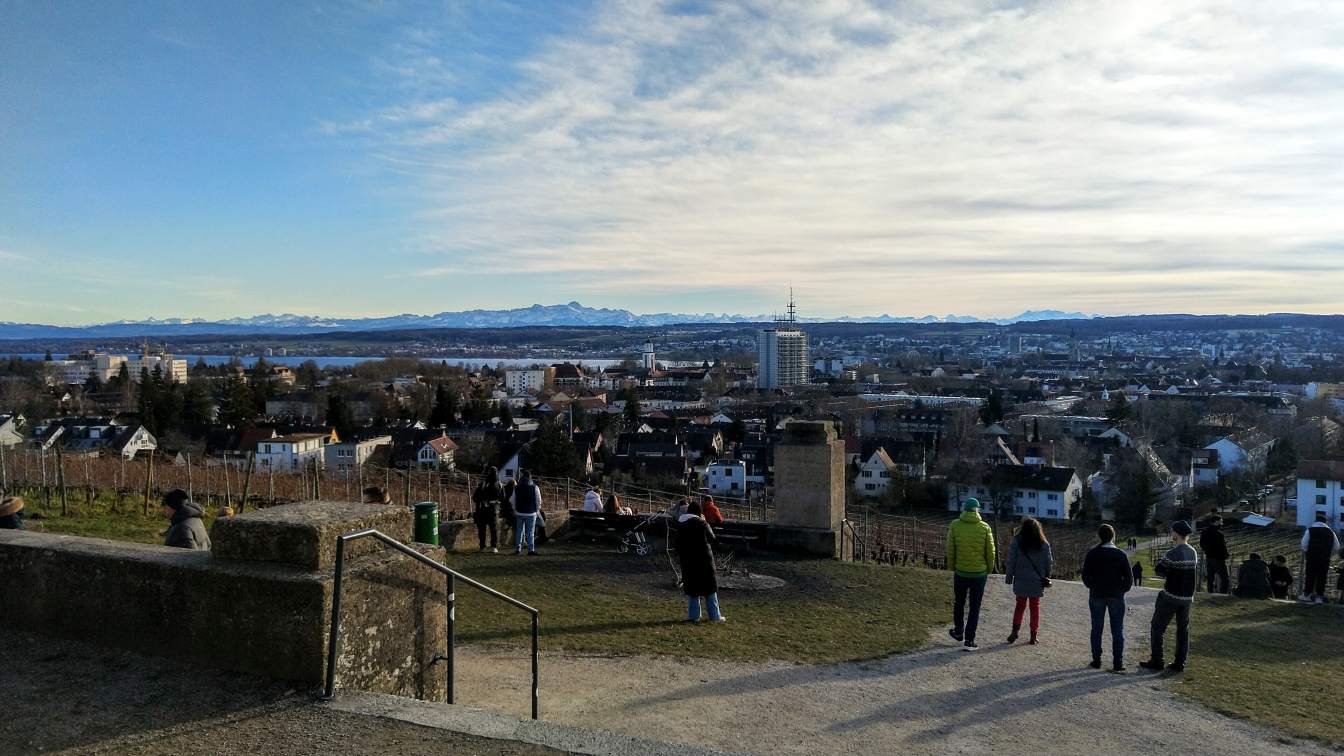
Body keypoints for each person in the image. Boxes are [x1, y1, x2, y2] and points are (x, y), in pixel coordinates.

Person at [1139, 520, 1198, 673]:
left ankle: (1157, 660)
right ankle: (1180, 662)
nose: (1171, 534)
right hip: (1186, 599)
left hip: (1171, 596)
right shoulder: (1193, 552)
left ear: (1176, 534)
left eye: (1172, 532)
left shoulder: (1172, 553)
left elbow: (1160, 570)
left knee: (1158, 627)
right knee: (1182, 631)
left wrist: (1162, 562)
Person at [946, 498, 996, 651]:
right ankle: (969, 639)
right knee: (975, 606)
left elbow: (950, 548)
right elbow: (990, 551)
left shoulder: (955, 525)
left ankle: (958, 630)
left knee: (959, 602)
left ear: (964, 509)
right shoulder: (985, 527)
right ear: (977, 510)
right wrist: (989, 568)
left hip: (961, 572)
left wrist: (952, 566)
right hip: (979, 574)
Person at [1082, 524, 1133, 672]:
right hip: (1116, 595)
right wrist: (1121, 590)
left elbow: (1085, 576)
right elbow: (1129, 579)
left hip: (1097, 594)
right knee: (1117, 629)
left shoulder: (1092, 554)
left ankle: (1096, 660)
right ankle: (1118, 662)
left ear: (1099, 536)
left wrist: (1092, 586)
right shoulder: (1121, 554)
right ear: (1113, 536)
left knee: (1096, 628)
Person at [1004, 517, 1053, 645]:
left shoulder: (1017, 541)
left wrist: (1009, 577)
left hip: (1021, 579)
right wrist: (1047, 576)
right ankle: (1033, 635)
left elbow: (1011, 560)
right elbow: (1049, 562)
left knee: (1020, 605)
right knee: (1034, 607)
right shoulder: (1044, 543)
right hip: (1037, 580)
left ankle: (1015, 631)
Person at [674, 500, 724, 622]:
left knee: (692, 589)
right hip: (705, 560)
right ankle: (715, 616)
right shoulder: (702, 524)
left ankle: (694, 616)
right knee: (710, 589)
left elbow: (677, 544)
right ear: (699, 512)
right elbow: (712, 539)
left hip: (688, 561)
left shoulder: (681, 525)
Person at [1299, 512, 1339, 603]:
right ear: (1325, 522)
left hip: (1312, 557)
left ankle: (1307, 595)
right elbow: (1337, 546)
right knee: (1322, 577)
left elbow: (1304, 544)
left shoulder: (1310, 530)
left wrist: (1307, 551)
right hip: (1325, 558)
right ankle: (1319, 597)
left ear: (1316, 521)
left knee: (1310, 576)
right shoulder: (1331, 532)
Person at [510, 469, 542, 556]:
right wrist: (537, 510)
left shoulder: (516, 487)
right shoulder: (535, 487)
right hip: (531, 512)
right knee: (530, 532)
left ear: (522, 477)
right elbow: (538, 500)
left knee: (519, 531)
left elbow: (512, 500)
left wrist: (514, 509)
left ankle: (518, 548)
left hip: (519, 512)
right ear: (530, 477)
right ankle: (531, 550)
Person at [472, 466, 504, 553]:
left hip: (482, 509)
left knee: (482, 529)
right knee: (494, 529)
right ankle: (494, 547)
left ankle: (482, 547)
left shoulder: (483, 484)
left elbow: (475, 498)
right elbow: (503, 498)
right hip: (494, 510)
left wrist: (483, 500)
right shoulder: (500, 485)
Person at [1200, 515, 1230, 594]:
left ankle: (1210, 592)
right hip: (1219, 558)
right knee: (1225, 578)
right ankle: (1223, 594)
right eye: (1220, 522)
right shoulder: (1219, 534)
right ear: (1216, 522)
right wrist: (1226, 555)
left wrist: (1208, 551)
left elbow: (1202, 544)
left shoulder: (1204, 532)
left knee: (1210, 577)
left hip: (1209, 557)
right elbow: (1222, 547)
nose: (1222, 524)